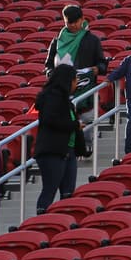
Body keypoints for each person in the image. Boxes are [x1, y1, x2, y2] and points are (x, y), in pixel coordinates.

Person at [34, 64, 89, 215]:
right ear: (67, 80)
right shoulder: (52, 97)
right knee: (50, 189)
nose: (76, 84)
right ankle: (41, 221)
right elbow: (51, 120)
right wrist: (75, 125)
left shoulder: (66, 101)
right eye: (75, 80)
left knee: (68, 194)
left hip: (68, 151)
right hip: (53, 151)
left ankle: (63, 222)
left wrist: (81, 149)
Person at [45, 4, 108, 116]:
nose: (73, 25)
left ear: (82, 19)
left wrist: (98, 69)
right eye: (69, 22)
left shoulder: (92, 40)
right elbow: (48, 66)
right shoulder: (57, 41)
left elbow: (102, 63)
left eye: (76, 22)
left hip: (85, 95)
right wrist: (52, 74)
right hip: (62, 93)